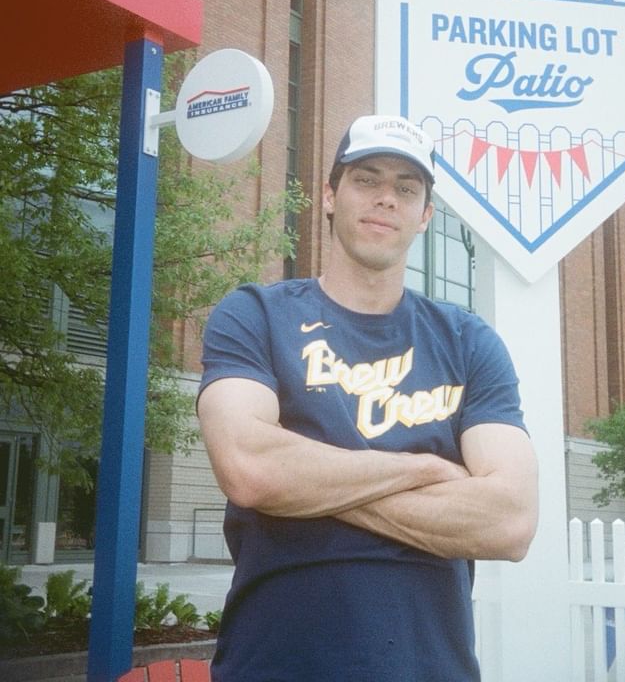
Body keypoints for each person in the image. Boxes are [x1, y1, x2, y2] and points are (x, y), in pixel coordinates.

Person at [197, 114, 539, 682]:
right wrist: (428, 469)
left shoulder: (467, 340)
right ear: (330, 196)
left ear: (425, 215)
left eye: (406, 189)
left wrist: (307, 483)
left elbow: (510, 521)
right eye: (366, 180)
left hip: (430, 668)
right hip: (274, 664)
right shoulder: (255, 314)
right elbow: (251, 468)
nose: (386, 199)